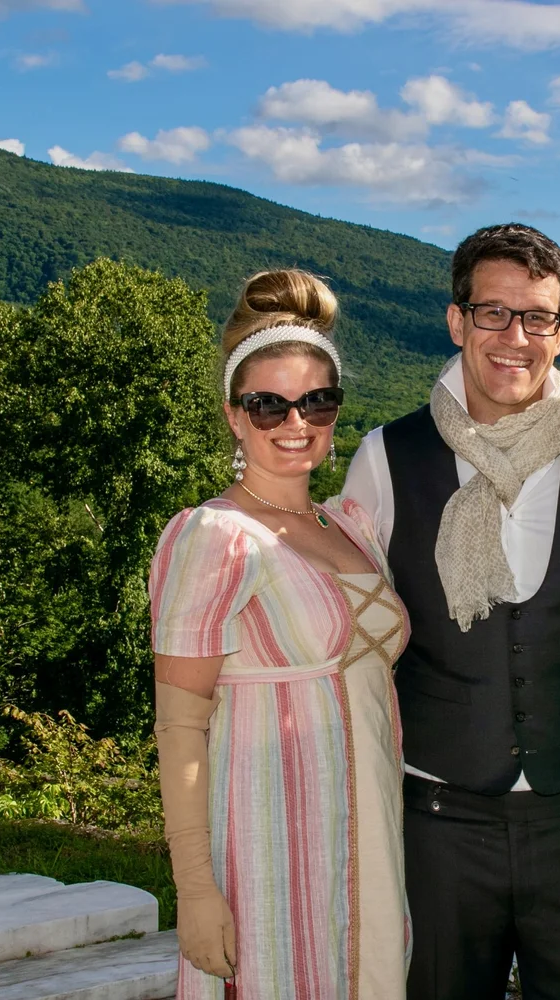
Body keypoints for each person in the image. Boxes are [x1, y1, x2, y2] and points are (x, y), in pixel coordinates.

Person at [342, 223, 560, 999]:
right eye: (493, 313)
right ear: (457, 320)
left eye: (537, 316)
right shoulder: (386, 457)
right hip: (438, 818)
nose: (516, 336)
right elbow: (349, 623)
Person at [150, 269, 409, 1000]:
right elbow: (179, 727)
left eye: (317, 402)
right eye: (269, 406)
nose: (297, 424)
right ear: (235, 416)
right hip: (267, 842)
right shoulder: (213, 536)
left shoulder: (350, 524)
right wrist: (196, 888)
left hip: (370, 846)